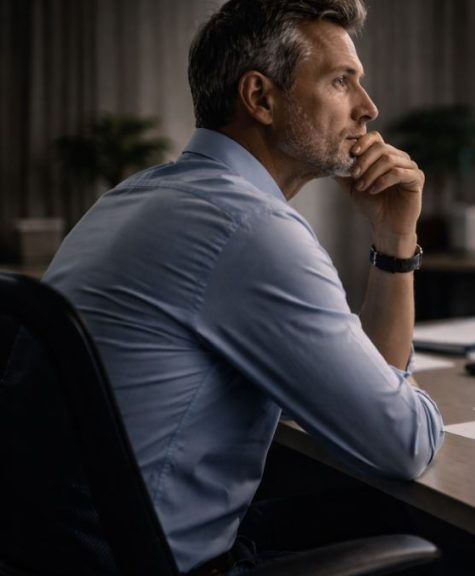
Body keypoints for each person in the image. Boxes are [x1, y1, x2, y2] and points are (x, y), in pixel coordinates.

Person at [42, 0, 444, 573]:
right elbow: (403, 443)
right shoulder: (249, 228)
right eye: (340, 82)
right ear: (260, 98)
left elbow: (370, 400)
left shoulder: (131, 198)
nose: (368, 108)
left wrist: (393, 238)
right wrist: (410, 404)